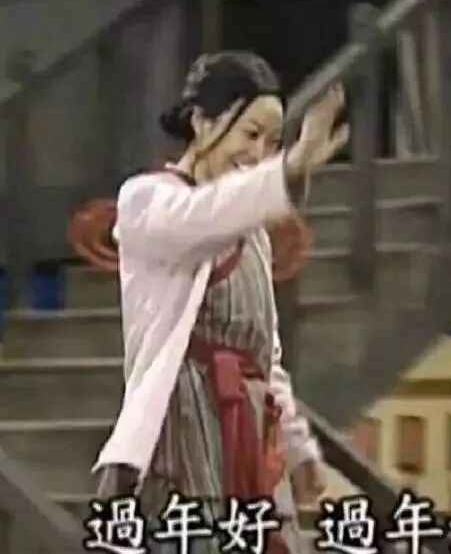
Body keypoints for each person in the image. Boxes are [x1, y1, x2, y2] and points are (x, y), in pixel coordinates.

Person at [92, 51, 349, 553]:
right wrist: (290, 168)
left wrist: (298, 448)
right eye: (250, 134)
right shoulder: (146, 202)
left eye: (272, 143)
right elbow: (200, 217)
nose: (259, 153)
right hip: (186, 427)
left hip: (249, 431)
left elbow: (265, 357)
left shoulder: (253, 233)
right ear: (201, 121)